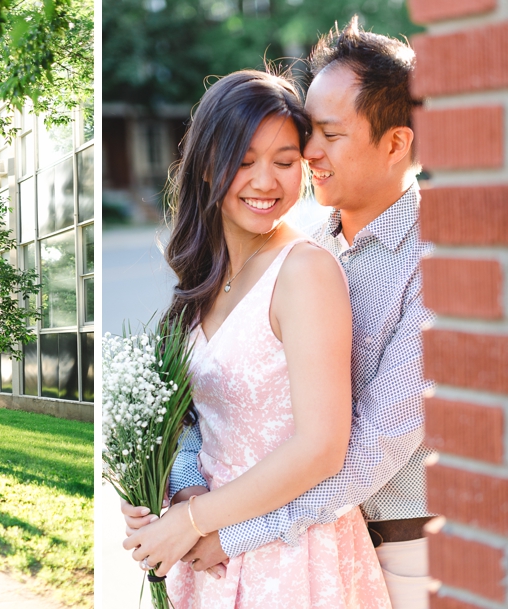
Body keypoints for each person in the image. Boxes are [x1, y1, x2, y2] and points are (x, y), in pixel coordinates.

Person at [124, 18, 432, 609]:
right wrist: (173, 488)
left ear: (396, 143)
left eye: (330, 135)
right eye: (309, 131)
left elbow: (374, 445)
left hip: (402, 551)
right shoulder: (305, 242)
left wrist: (224, 531)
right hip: (274, 541)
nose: (310, 151)